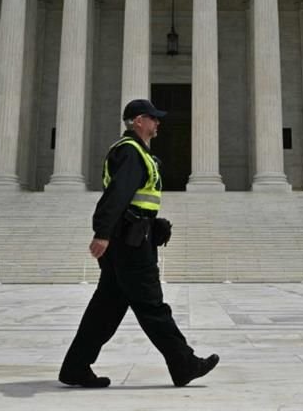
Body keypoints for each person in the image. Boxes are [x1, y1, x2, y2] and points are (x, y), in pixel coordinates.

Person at [59, 99, 219, 388]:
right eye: (153, 118)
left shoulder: (139, 154)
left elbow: (134, 199)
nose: (158, 124)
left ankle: (75, 367)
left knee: (105, 309)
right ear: (138, 121)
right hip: (129, 244)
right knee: (152, 306)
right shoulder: (131, 152)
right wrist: (102, 232)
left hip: (129, 238)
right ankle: (184, 364)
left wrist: (152, 223)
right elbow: (118, 194)